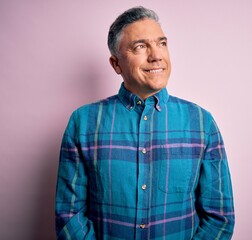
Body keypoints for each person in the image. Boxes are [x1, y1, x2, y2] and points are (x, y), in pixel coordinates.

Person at [55, 6, 235, 240]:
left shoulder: (202, 122)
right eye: (140, 46)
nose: (156, 55)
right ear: (116, 64)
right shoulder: (83, 123)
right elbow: (69, 215)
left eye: (162, 43)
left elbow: (219, 217)